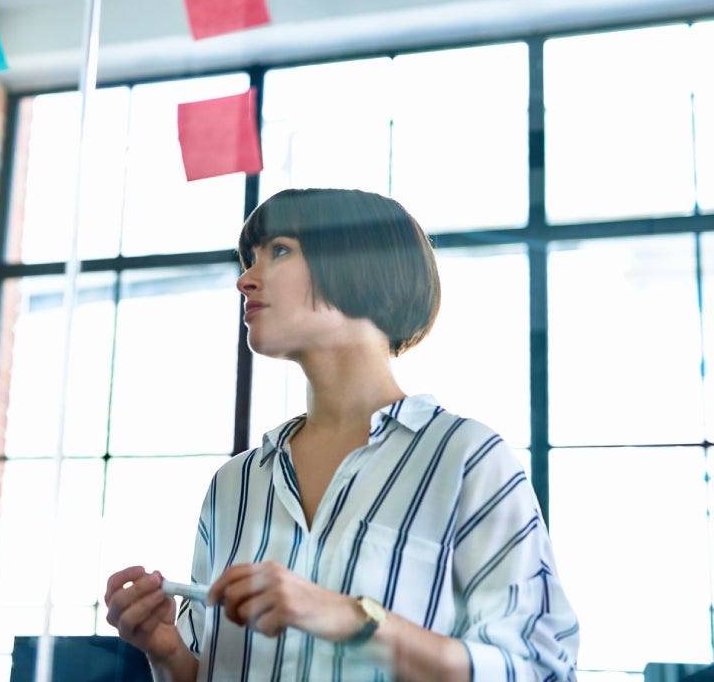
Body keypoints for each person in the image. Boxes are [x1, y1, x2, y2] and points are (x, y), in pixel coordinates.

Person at [104, 189, 579, 680]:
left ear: (360, 263)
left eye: (279, 250)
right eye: (251, 259)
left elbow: (537, 667)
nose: (245, 279)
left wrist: (354, 617)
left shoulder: (467, 460)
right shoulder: (235, 483)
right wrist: (167, 653)